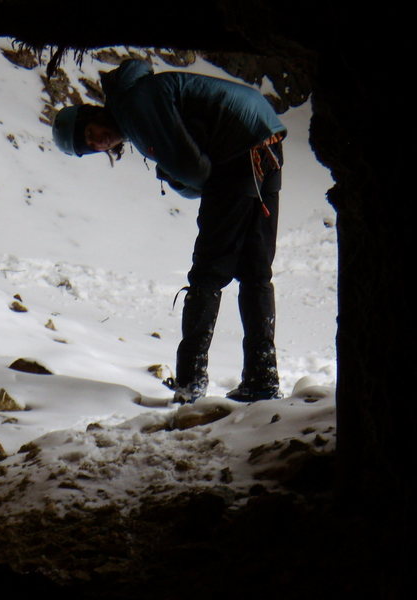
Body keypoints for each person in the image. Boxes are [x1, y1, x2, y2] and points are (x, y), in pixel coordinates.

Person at [52, 58, 286, 404]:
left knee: (209, 270)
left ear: (93, 114)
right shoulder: (138, 102)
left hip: (237, 147)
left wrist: (176, 173)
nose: (100, 142)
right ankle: (262, 377)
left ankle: (191, 381)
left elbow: (194, 171)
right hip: (265, 139)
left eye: (90, 134)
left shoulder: (134, 106)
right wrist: (178, 172)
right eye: (92, 147)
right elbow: (191, 170)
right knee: (254, 268)